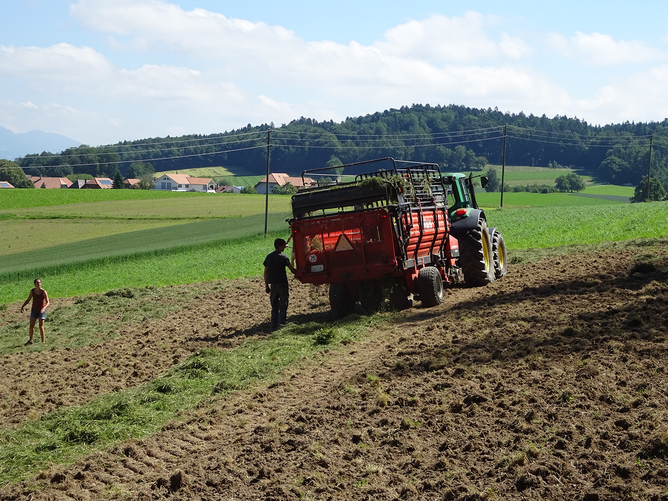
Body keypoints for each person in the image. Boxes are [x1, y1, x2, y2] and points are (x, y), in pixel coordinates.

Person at [263, 237, 296, 331]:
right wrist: (299, 273)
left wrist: (266, 285)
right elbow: (292, 270)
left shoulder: (269, 257)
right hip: (282, 284)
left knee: (274, 306)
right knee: (283, 305)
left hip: (273, 285)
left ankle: (273, 327)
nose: (284, 248)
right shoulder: (284, 257)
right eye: (283, 246)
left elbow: (266, 272)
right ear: (280, 246)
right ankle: (281, 326)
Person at [21, 278, 50, 345]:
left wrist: (43, 308)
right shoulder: (32, 291)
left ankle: (43, 342)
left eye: (40, 282)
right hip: (34, 310)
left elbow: (48, 302)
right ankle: (30, 340)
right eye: (37, 283)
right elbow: (28, 300)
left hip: (41, 311)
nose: (39, 284)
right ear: (35, 284)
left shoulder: (43, 292)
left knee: (41, 326)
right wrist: (23, 306)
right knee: (31, 326)